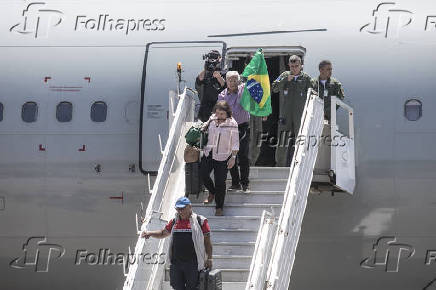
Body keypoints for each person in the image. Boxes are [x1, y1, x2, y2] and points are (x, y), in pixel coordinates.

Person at [141, 196, 212, 290]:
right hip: (176, 264)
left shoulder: (201, 221)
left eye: (182, 208)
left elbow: (207, 241)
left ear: (190, 207)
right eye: (178, 209)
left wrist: (209, 258)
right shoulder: (174, 221)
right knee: (177, 287)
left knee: (193, 288)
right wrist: (150, 233)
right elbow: (163, 233)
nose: (180, 211)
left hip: (193, 264)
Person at [271, 55, 314, 167]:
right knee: (283, 139)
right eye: (292, 66)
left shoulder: (306, 79)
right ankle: (279, 164)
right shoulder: (285, 75)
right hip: (285, 115)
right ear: (289, 66)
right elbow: (274, 88)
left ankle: (300, 164)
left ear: (301, 66)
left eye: (296, 66)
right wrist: (286, 79)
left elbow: (314, 94)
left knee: (300, 139)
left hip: (300, 115)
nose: (294, 68)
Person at [201, 100, 239, 216]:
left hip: (223, 156)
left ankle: (219, 206)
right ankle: (212, 192)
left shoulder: (232, 124)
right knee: (203, 174)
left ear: (227, 113)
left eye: (222, 114)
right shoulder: (212, 119)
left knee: (220, 183)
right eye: (217, 113)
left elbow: (235, 142)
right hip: (209, 153)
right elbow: (204, 128)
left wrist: (233, 157)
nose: (219, 116)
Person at [218, 71, 251, 192]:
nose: (232, 82)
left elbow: (252, 82)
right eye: (230, 80)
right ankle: (235, 182)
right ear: (226, 82)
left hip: (242, 127)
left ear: (238, 81)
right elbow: (220, 112)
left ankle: (245, 183)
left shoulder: (244, 89)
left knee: (243, 156)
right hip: (228, 128)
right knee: (230, 156)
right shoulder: (222, 95)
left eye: (234, 80)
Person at [195, 50, 226, 122]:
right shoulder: (205, 73)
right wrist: (206, 69)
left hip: (218, 105)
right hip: (205, 106)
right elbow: (198, 81)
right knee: (205, 124)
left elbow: (225, 86)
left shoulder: (223, 73)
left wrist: (218, 77)